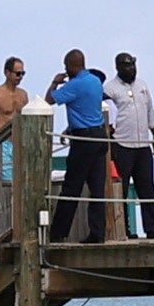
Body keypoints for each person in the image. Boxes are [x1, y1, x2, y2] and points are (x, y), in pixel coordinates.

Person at [47, 49, 110, 243]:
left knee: (71, 187)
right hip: (100, 135)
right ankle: (97, 233)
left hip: (83, 139)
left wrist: (56, 82)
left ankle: (58, 233)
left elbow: (49, 100)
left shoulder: (74, 86)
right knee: (97, 188)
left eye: (66, 66)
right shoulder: (95, 81)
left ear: (71, 66)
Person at [103, 52, 154, 239]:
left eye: (133, 65)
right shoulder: (109, 89)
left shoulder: (142, 86)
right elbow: (107, 116)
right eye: (127, 66)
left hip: (143, 144)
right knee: (121, 189)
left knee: (147, 188)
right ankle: (126, 229)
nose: (132, 69)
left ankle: (151, 228)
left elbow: (150, 110)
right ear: (119, 67)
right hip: (122, 144)